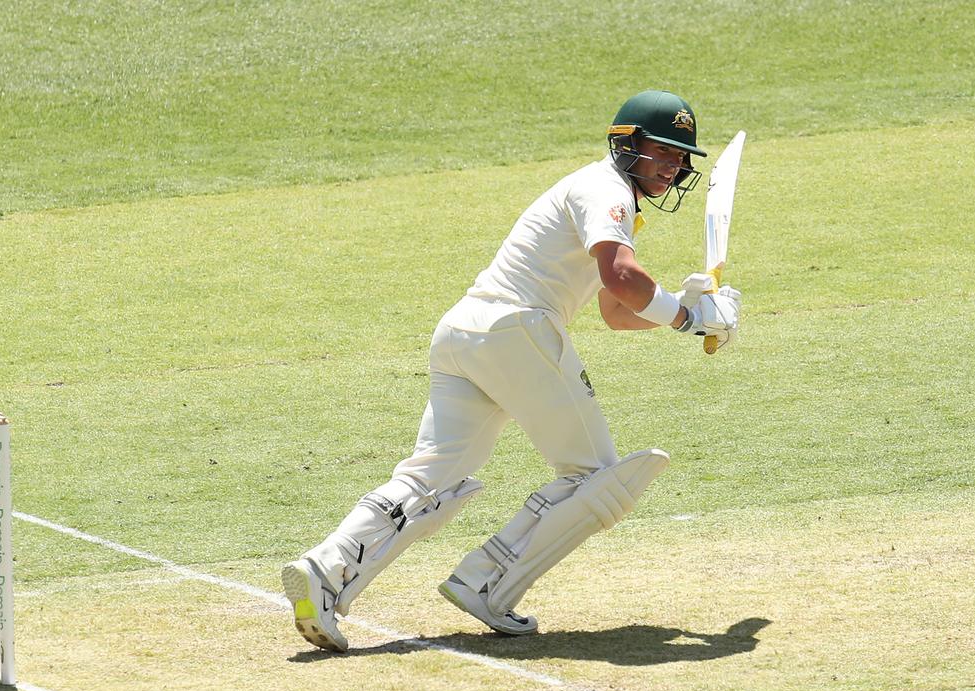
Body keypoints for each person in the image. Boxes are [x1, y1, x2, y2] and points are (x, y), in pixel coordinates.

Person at [282, 90, 742, 652]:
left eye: (680, 156)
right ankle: (487, 583)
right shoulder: (607, 191)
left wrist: (688, 304)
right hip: (519, 330)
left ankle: (323, 572)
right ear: (626, 145)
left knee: (431, 478)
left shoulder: (602, 193)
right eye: (661, 151)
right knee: (598, 479)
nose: (673, 166)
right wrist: (690, 318)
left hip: (466, 331)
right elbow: (622, 279)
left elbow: (615, 313)